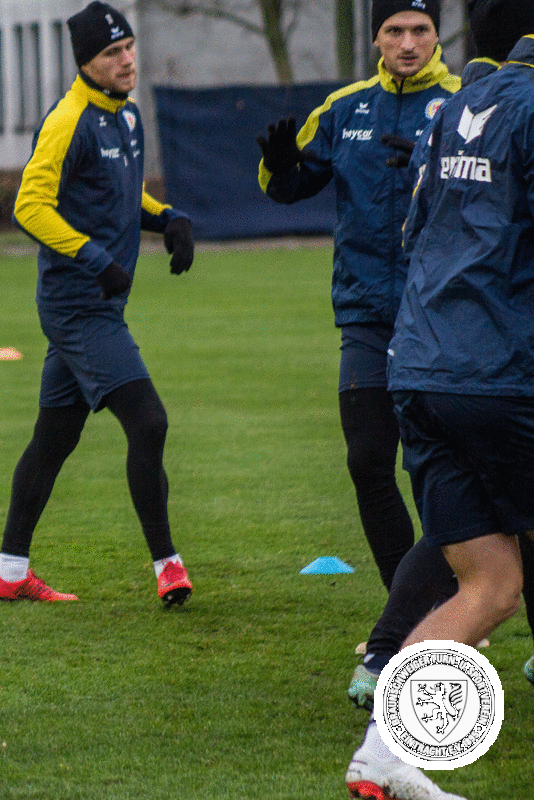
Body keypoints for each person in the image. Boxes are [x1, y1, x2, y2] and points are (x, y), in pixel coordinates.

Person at [345, 3, 534, 798]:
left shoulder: (454, 106)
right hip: (501, 373)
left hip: (421, 367)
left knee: (490, 583)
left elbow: (414, 231)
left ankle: (383, 756)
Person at [0, 1, 196, 606]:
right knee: (149, 421)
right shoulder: (68, 120)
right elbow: (29, 207)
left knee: (53, 439)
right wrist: (93, 257)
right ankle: (169, 566)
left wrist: (167, 217)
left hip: (101, 303)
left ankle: (10, 571)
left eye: (128, 47)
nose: (126, 60)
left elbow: (120, 195)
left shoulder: (125, 115)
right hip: (77, 306)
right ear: (85, 62)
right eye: (111, 53)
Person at [257, 0, 458, 600]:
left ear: (437, 35)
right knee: (367, 461)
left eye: (420, 30)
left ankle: (465, 597)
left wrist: (431, 166)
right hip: (367, 313)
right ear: (376, 38)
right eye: (394, 30)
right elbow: (289, 187)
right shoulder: (344, 109)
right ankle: (412, 608)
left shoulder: (466, 103)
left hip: (443, 314)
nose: (408, 43)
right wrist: (278, 166)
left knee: (439, 471)